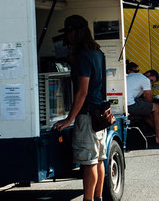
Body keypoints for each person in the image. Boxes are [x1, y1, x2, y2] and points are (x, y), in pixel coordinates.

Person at [53, 15, 106, 201]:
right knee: (99, 158)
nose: (66, 38)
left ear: (75, 32)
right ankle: (97, 197)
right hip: (100, 113)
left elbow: (82, 92)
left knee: (88, 161)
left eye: (67, 33)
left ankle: (88, 199)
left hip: (87, 116)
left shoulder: (84, 56)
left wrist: (69, 119)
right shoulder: (97, 52)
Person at [126, 62, 159, 143]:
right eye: (151, 80)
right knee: (156, 107)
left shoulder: (130, 76)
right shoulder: (144, 79)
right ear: (148, 74)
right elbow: (149, 100)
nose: (150, 83)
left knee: (147, 113)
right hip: (130, 105)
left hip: (124, 103)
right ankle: (158, 138)